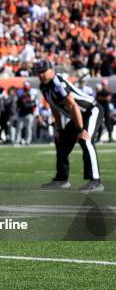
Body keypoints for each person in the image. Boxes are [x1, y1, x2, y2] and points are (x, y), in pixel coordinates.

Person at [34, 60, 104, 192]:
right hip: (78, 115)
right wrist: (59, 129)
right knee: (61, 143)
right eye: (39, 73)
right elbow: (54, 108)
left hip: (90, 110)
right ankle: (61, 180)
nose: (41, 75)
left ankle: (96, 181)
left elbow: (73, 106)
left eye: (43, 71)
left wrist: (81, 130)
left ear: (51, 70)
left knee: (85, 139)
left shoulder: (57, 83)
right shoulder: (44, 87)